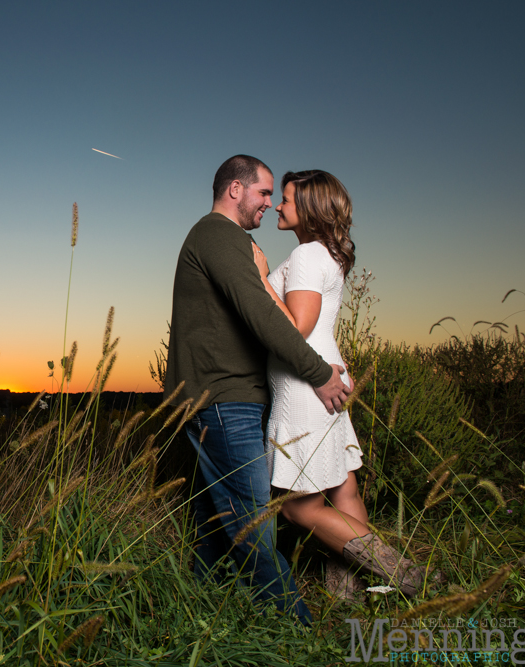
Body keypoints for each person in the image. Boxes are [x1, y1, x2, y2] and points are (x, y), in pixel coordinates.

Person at [164, 155, 352, 624]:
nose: (270, 202)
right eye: (264, 192)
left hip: (230, 397)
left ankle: (197, 609)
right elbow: (265, 315)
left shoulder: (234, 241)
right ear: (235, 189)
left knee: (214, 523)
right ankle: (298, 629)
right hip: (224, 400)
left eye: (275, 195)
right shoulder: (218, 236)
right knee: (254, 524)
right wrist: (319, 372)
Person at [254, 170, 432, 598]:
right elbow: (320, 326)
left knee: (298, 508)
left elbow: (297, 327)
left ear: (311, 208)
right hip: (322, 377)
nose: (279, 205)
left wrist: (259, 278)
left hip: (304, 387)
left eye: (288, 199)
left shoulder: (307, 256)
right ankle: (345, 594)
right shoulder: (324, 254)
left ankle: (405, 575)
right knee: (343, 487)